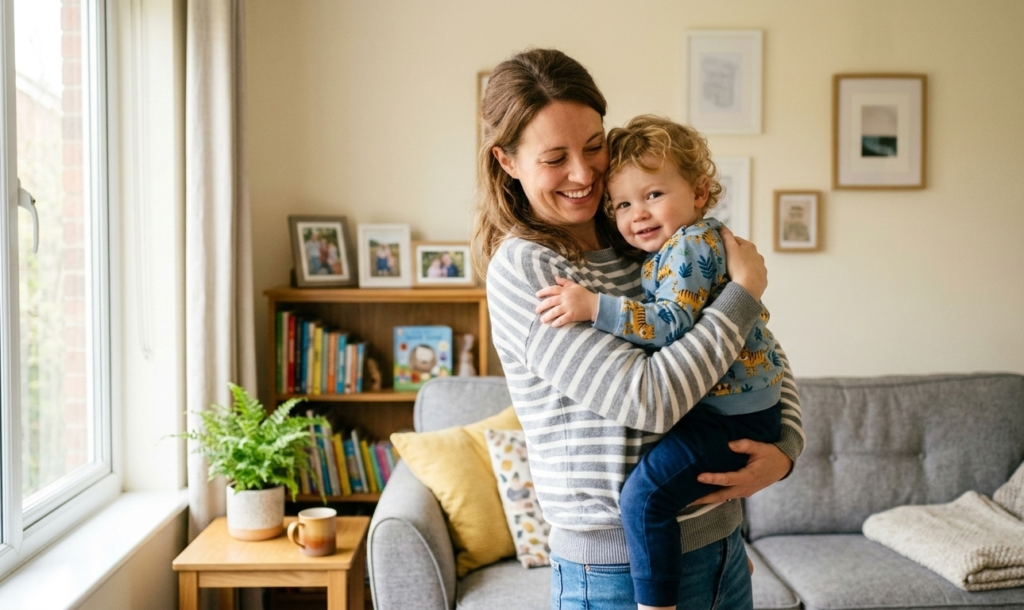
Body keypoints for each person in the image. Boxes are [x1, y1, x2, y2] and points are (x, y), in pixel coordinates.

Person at [472, 48, 804, 610]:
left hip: (722, 546)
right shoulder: (528, 268)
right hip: (617, 575)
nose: (584, 174)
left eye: (593, 146)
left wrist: (786, 449)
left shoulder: (640, 234)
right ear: (507, 161)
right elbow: (648, 400)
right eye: (555, 158)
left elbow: (754, 348)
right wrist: (743, 293)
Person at [533, 114, 783, 609]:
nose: (638, 214)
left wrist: (594, 306)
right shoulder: (671, 247)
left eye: (653, 195)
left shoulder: (687, 247)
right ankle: (719, 550)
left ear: (700, 191)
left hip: (731, 417)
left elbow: (669, 324)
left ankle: (656, 604)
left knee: (646, 496)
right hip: (731, 413)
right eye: (623, 203)